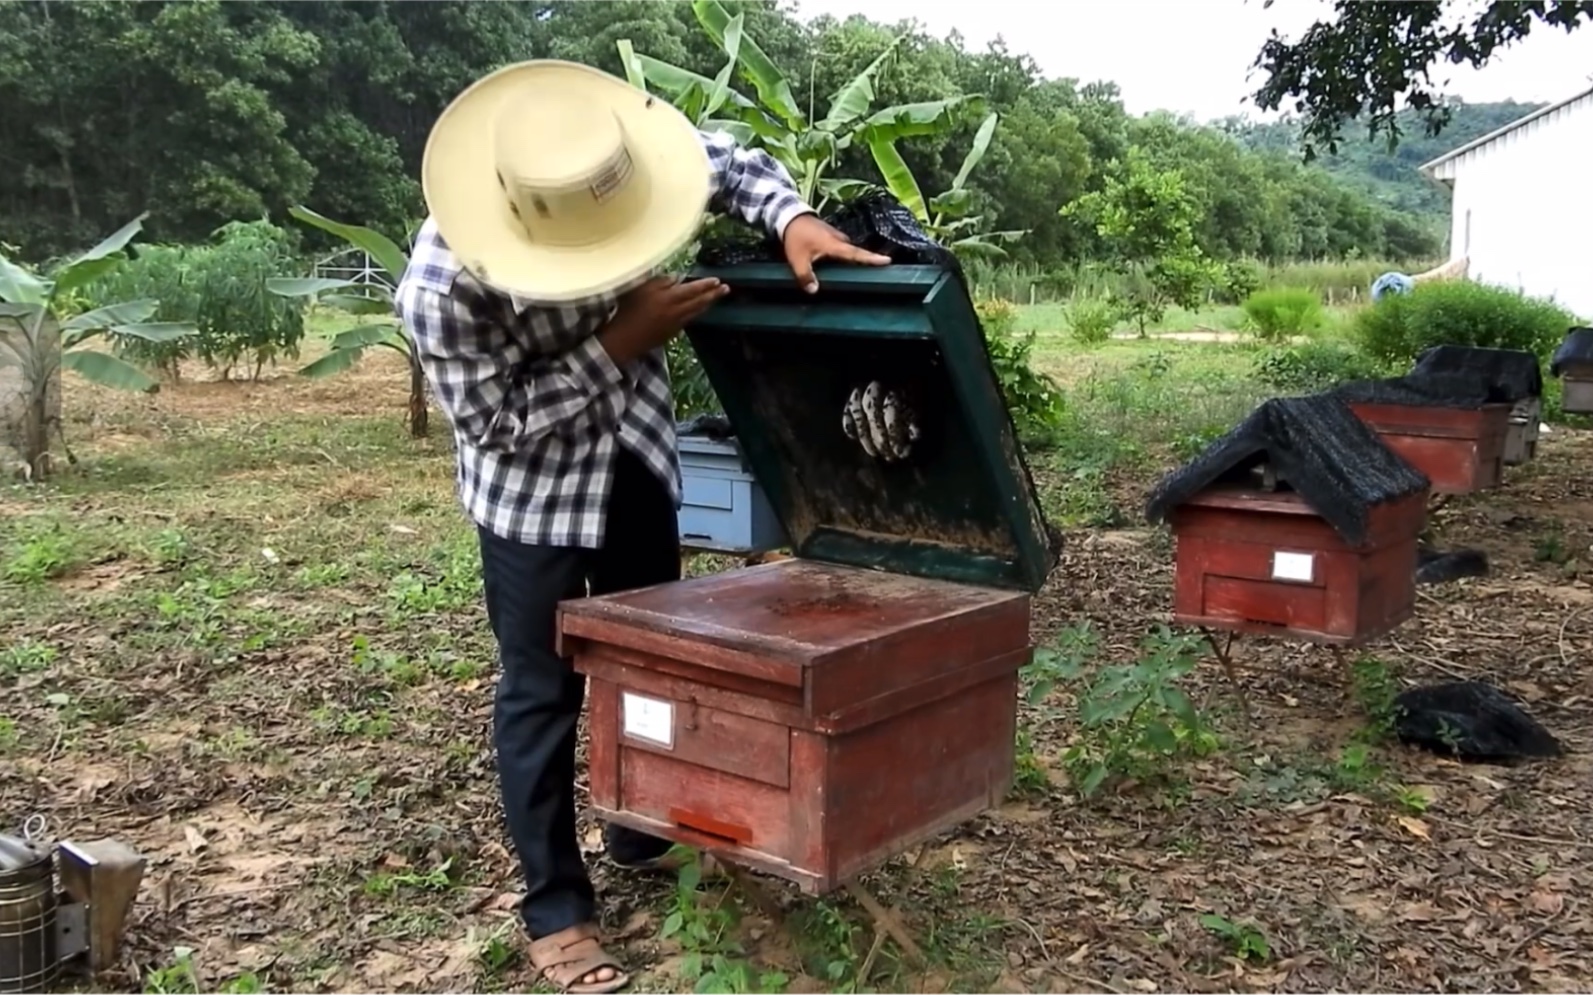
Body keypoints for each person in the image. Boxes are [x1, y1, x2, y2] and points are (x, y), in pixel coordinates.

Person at [393, 59, 890, 994]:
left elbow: (731, 164)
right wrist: (618, 341)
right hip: (528, 495)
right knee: (542, 686)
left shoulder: (622, 159)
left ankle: (638, 832)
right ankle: (554, 907)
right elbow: (495, 425)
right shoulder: (441, 286)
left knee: (652, 658)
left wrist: (790, 216)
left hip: (633, 459)